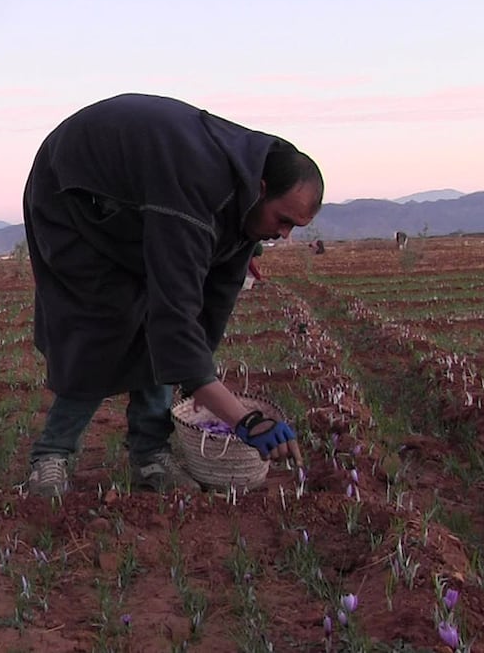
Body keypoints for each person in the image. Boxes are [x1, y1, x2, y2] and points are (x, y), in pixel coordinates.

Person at [23, 93, 319, 497]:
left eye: (294, 228)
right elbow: (174, 315)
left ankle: (150, 453)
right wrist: (240, 417)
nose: (284, 235)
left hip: (137, 206)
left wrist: (198, 375)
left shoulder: (245, 201)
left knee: (162, 335)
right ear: (261, 188)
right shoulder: (201, 186)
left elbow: (213, 300)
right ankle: (51, 455)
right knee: (105, 326)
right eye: (283, 220)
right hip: (74, 196)